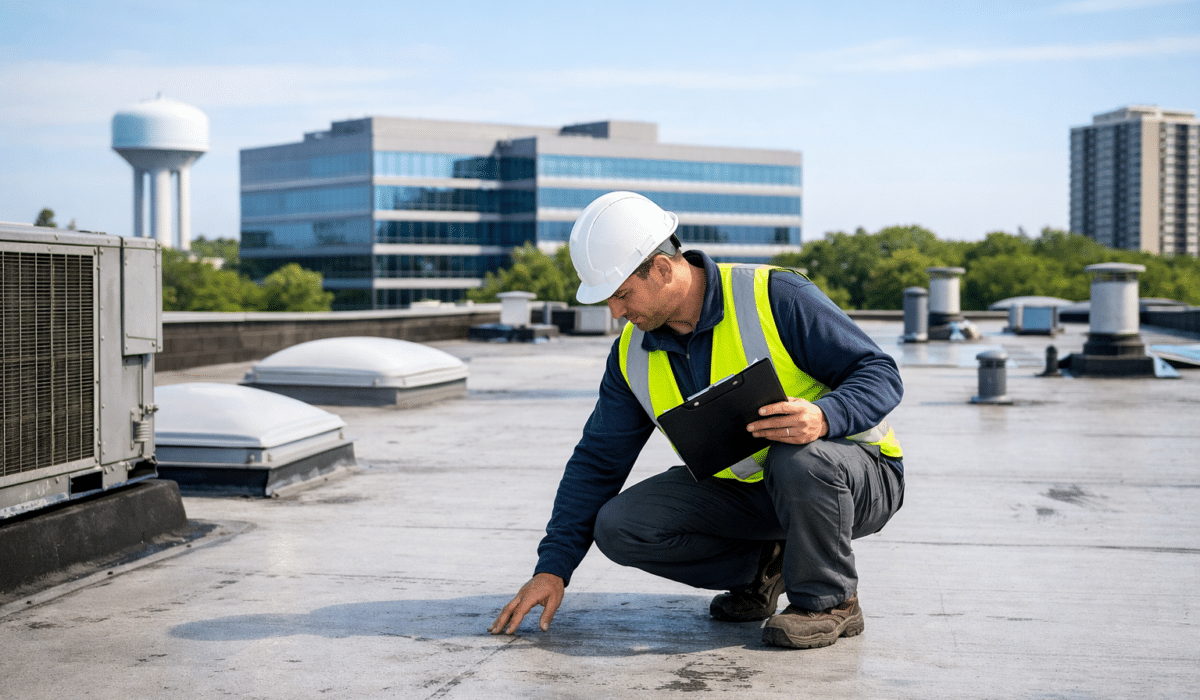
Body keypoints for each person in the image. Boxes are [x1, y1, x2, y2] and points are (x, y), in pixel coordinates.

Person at [489, 191, 905, 649]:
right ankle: (766, 569)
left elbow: (880, 372)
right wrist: (553, 567)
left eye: (622, 294)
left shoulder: (775, 295)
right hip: (756, 495)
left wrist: (825, 416)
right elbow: (598, 461)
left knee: (797, 458)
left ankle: (830, 601)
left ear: (664, 270)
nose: (616, 312)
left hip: (854, 477)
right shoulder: (632, 354)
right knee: (620, 525)